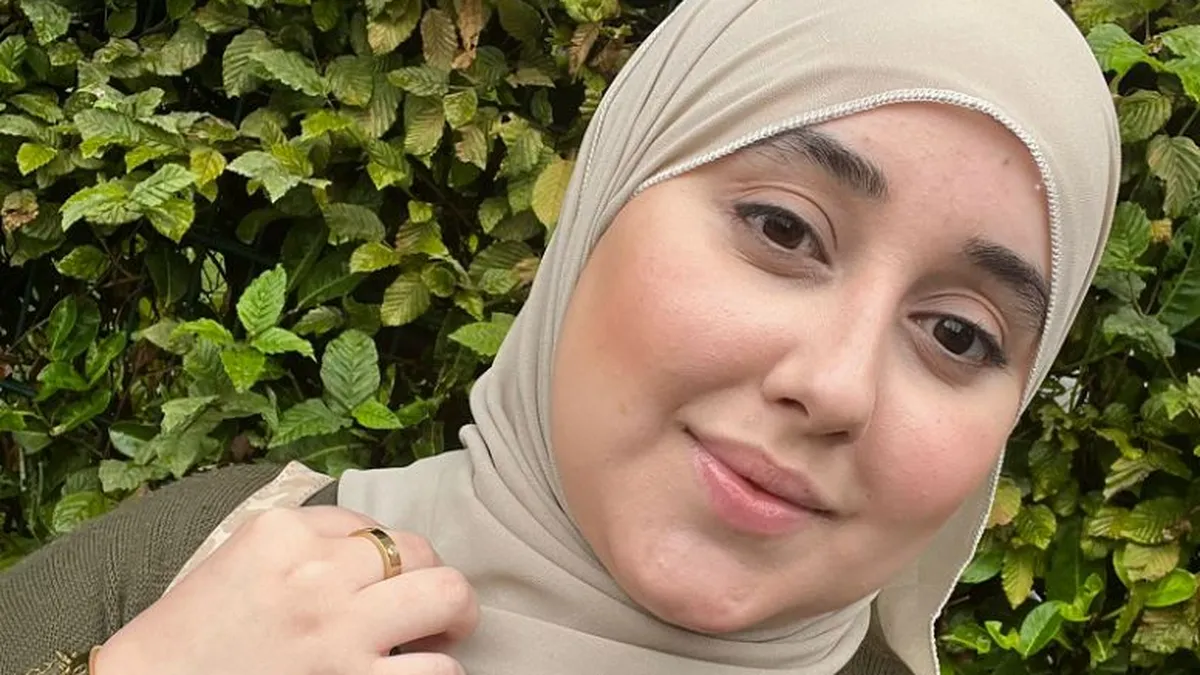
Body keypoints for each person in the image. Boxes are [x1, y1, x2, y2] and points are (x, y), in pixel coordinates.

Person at [0, 0, 1119, 673]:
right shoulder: (192, 570)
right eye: (784, 228)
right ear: (605, 198)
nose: (835, 385)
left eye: (959, 335)